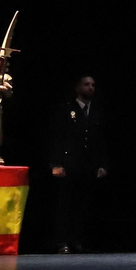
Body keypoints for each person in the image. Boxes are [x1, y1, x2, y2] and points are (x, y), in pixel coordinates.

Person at [50, 75, 108, 254]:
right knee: (65, 205)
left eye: (92, 85)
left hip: (88, 165)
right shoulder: (66, 110)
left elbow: (101, 141)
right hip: (69, 164)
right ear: (77, 87)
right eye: (86, 84)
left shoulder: (97, 112)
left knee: (82, 206)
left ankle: (77, 240)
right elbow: (57, 138)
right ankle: (62, 241)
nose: (90, 88)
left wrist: (102, 164)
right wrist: (55, 164)